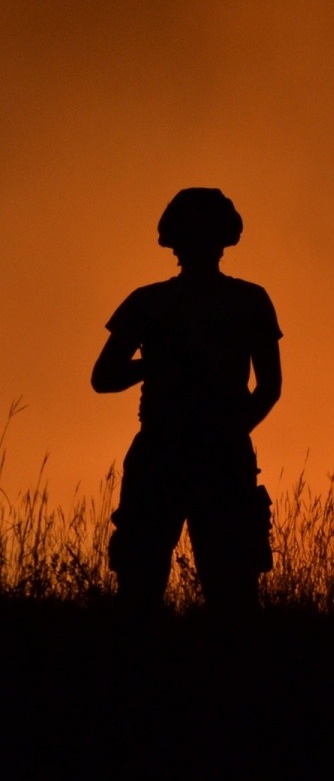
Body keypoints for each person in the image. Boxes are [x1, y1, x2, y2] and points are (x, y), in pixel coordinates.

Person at [92, 188, 281, 613]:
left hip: (174, 451)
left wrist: (227, 432)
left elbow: (270, 387)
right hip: (186, 452)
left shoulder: (152, 301)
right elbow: (103, 378)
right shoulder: (245, 300)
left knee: (210, 586)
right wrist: (229, 431)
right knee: (211, 588)